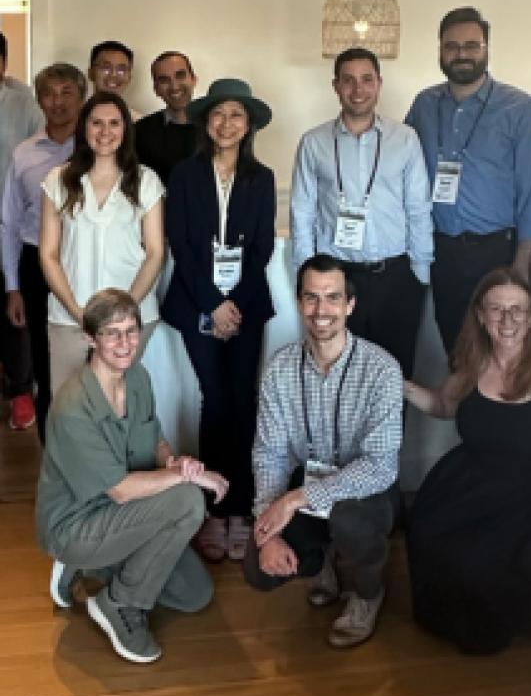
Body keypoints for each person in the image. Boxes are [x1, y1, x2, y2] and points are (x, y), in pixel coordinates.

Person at [404, 267, 531, 654]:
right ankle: (473, 627)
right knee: (428, 528)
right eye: (497, 310)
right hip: (471, 479)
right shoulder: (474, 360)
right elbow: (445, 405)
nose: (507, 320)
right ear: (480, 314)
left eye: (518, 310)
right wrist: (402, 386)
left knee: (496, 557)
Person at [36, 288, 228, 664]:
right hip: (78, 521)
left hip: (123, 512)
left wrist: (176, 463)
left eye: (131, 331)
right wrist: (189, 479)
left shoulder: (137, 376)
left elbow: (154, 437)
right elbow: (122, 491)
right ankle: (118, 603)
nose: (125, 343)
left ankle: (99, 564)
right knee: (188, 500)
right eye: (112, 333)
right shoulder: (72, 407)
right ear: (90, 339)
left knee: (194, 594)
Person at [243, 254, 403, 649]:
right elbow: (269, 453)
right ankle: (321, 562)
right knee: (256, 570)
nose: (321, 311)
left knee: (350, 520)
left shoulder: (382, 369)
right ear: (299, 303)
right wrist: (268, 527)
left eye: (332, 298)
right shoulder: (280, 369)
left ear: (350, 305)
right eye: (311, 298)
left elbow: (380, 467)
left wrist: (295, 501)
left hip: (366, 493)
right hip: (308, 482)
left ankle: (367, 593)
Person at [162, 78, 275, 563]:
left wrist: (235, 306)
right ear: (206, 122)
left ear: (248, 125)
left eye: (236, 115)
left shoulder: (262, 177)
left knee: (244, 400)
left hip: (246, 305)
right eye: (218, 114)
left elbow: (262, 249)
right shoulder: (185, 175)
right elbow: (181, 247)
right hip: (196, 303)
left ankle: (244, 509)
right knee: (216, 399)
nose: (227, 123)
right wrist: (212, 304)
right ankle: (214, 505)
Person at [405, 6, 531, 354]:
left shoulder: (519, 108)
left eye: (472, 45)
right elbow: (402, 170)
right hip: (440, 251)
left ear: (486, 48)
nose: (462, 54)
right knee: (455, 348)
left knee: (502, 351)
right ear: (439, 50)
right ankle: (464, 411)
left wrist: (521, 263)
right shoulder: (424, 105)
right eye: (452, 46)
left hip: (496, 251)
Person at [290, 46, 432, 378]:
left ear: (379, 84)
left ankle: (391, 433)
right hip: (335, 278)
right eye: (349, 80)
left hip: (395, 277)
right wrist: (305, 275)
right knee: (336, 372)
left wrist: (419, 277)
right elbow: (302, 210)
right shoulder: (314, 142)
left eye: (367, 79)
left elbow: (418, 208)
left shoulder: (405, 139)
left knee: (394, 375)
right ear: (336, 86)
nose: (358, 89)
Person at [39, 90, 164, 396]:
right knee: (70, 405)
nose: (105, 132)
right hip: (70, 318)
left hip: (133, 318)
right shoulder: (58, 180)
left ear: (126, 129)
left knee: (120, 403)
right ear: (84, 128)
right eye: (96, 123)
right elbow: (49, 254)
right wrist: (79, 313)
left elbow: (155, 252)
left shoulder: (145, 181)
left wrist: (125, 312)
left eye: (114, 123)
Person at [1, 63, 86, 438]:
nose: (59, 102)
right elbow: (9, 222)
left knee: (91, 359)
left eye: (68, 92)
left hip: (86, 265)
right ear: (39, 100)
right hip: (36, 264)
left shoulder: (96, 149)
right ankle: (52, 454)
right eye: (50, 93)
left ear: (82, 97)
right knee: (45, 362)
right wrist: (12, 287)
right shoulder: (23, 154)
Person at [0, 30, 45, 430]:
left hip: (13, 222)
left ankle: (19, 391)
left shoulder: (23, 103)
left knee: (15, 309)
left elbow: (40, 154)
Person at [135, 50, 198, 187]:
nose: (174, 86)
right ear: (156, 89)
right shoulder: (139, 132)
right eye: (164, 80)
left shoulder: (216, 128)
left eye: (180, 75)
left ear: (193, 79)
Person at [88, 40, 141, 121]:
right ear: (91, 73)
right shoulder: (75, 118)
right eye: (106, 68)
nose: (113, 75)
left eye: (121, 70)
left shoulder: (139, 123)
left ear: (129, 77)